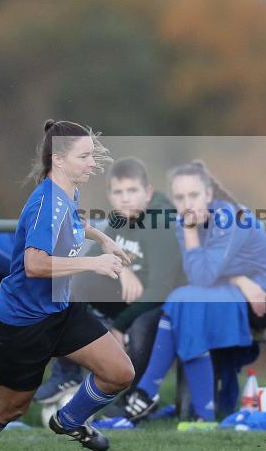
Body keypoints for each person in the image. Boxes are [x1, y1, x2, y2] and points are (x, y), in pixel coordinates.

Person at [0, 120, 135, 451]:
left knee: (119, 372)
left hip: (59, 312)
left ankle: (68, 420)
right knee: (9, 409)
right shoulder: (45, 202)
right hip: (20, 324)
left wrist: (103, 239)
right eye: (85, 156)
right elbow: (35, 265)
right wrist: (94, 262)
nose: (93, 163)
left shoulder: (67, 191)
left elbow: (72, 219)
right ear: (58, 159)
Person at [121, 161, 266, 424]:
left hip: (263, 299)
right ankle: (200, 415)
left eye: (194, 195)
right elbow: (202, 278)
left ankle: (149, 393)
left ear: (208, 195)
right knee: (183, 304)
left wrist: (190, 232)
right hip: (224, 292)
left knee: (181, 301)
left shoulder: (231, 219)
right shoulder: (182, 222)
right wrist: (238, 278)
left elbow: (202, 276)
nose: (187, 203)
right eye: (180, 197)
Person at [35, 157, 183, 404]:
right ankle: (67, 374)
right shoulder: (119, 217)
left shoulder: (160, 221)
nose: (125, 198)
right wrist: (123, 269)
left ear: (147, 193)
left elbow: (160, 288)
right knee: (76, 283)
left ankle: (130, 400)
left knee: (139, 327)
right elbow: (94, 257)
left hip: (159, 303)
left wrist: (119, 326)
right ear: (111, 196)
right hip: (125, 297)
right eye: (119, 192)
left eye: (132, 191)